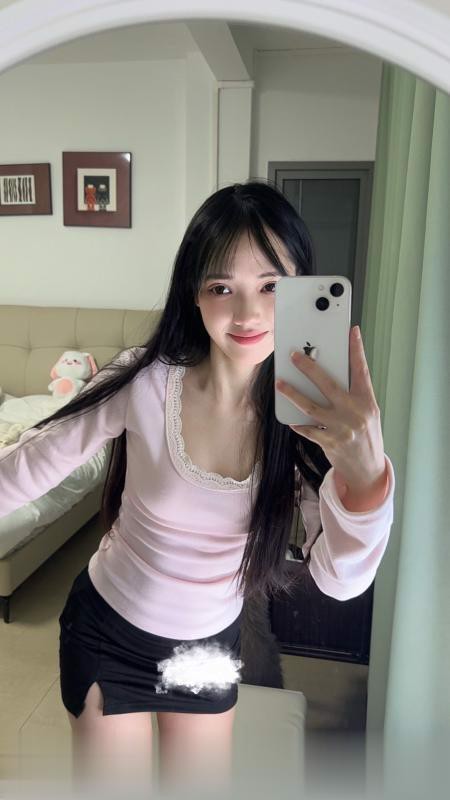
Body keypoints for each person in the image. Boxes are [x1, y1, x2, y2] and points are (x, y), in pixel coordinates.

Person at [0, 180, 395, 797]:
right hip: (109, 634)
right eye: (221, 287)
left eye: (271, 286)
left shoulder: (311, 422)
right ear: (195, 293)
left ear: (301, 290)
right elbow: (29, 465)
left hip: (208, 648)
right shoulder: (144, 381)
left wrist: (366, 478)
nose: (247, 314)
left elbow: (341, 583)